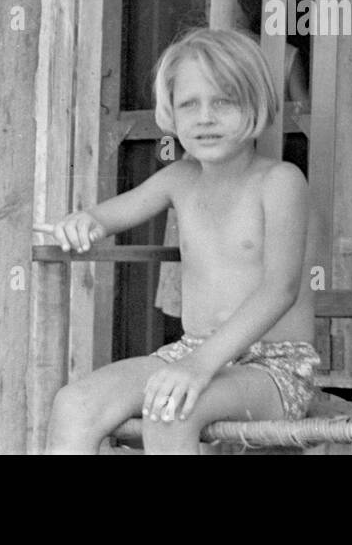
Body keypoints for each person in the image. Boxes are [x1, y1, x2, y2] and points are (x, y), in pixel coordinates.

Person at [40, 28, 318, 454]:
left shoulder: (279, 182)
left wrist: (200, 367)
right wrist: (83, 223)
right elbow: (108, 216)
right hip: (191, 352)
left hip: (273, 369)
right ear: (171, 111)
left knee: (170, 407)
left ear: (256, 103)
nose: (205, 117)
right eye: (189, 104)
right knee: (73, 403)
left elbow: (280, 290)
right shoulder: (179, 179)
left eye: (223, 101)